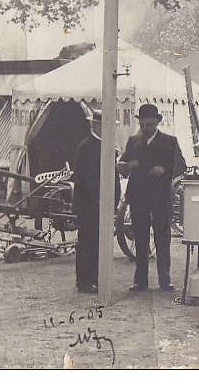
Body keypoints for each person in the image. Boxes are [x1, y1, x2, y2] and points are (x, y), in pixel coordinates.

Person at [116, 104, 186, 291]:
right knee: (140, 238)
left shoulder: (169, 141)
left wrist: (164, 169)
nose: (146, 128)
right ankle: (140, 281)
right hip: (138, 196)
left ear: (157, 121)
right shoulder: (133, 141)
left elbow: (181, 166)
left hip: (161, 196)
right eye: (143, 124)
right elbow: (122, 163)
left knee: (162, 238)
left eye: (149, 124)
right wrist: (127, 165)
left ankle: (165, 279)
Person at [72, 109, 121, 293]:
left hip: (103, 204)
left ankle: (95, 278)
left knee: (100, 243)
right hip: (90, 205)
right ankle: (85, 281)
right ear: (96, 125)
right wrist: (99, 199)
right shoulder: (87, 146)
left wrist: (113, 201)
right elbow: (86, 178)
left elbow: (113, 175)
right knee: (88, 243)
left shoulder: (107, 145)